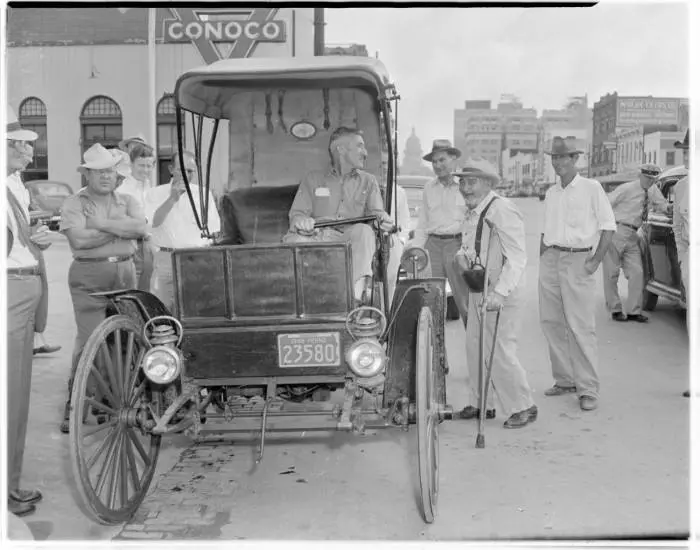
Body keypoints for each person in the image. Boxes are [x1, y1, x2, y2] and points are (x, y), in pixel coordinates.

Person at [58, 144, 147, 434]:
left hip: (125, 276)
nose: (105, 176)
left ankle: (109, 405)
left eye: (109, 170)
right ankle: (75, 404)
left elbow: (141, 229)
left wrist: (101, 224)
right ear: (87, 175)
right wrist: (118, 228)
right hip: (89, 277)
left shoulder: (128, 199)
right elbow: (79, 241)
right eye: (98, 172)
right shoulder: (74, 203)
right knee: (89, 342)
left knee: (122, 342)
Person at [448, 160, 537, 428]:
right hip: (479, 286)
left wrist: (499, 293)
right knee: (475, 347)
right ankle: (481, 404)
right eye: (462, 182)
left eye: (472, 181)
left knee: (499, 349)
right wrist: (462, 257)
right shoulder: (472, 211)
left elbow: (518, 258)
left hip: (501, 290)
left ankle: (524, 406)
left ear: (488, 183)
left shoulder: (502, 210)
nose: (465, 187)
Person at [539, 136, 616, 411]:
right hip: (551, 256)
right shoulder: (552, 192)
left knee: (580, 325)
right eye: (554, 158)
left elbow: (608, 226)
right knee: (551, 321)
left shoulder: (591, 188)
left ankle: (588, 389)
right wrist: (543, 254)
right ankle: (565, 380)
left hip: (578, 258)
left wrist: (595, 261)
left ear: (575, 159)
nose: (558, 163)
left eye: (563, 157)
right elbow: (545, 229)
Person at [283, 127, 394, 302]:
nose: (365, 152)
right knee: (294, 240)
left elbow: (377, 215)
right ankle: (302, 302)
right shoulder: (312, 179)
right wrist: (303, 222)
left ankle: (356, 302)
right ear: (340, 150)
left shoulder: (368, 181)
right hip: (318, 235)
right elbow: (297, 215)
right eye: (359, 146)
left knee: (365, 232)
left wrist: (384, 221)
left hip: (350, 237)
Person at [6, 107, 50, 517]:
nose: (26, 150)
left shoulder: (15, 184)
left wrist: (38, 238)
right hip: (11, 288)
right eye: (16, 143)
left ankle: (11, 483)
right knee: (10, 394)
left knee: (17, 395)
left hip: (24, 283)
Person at [144, 150, 221, 311]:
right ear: (171, 169)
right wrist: (172, 199)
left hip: (196, 258)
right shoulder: (154, 193)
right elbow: (153, 223)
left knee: (194, 308)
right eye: (181, 170)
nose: (186, 175)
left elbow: (214, 230)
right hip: (166, 258)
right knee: (161, 308)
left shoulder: (203, 193)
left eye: (190, 171)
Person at [11, 133, 61, 355]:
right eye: (24, 153)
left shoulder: (18, 182)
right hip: (15, 268)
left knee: (42, 295)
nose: (29, 160)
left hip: (28, 253)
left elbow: (24, 217)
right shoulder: (10, 182)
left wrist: (38, 231)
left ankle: (36, 338)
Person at [603, 163, 669, 322]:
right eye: (647, 178)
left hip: (633, 234)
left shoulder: (652, 190)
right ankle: (615, 309)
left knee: (637, 272)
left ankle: (633, 311)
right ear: (640, 175)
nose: (649, 181)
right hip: (617, 231)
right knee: (611, 273)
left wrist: (673, 209)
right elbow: (605, 204)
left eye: (652, 179)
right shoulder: (626, 189)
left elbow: (662, 205)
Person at [410, 139, 465, 281]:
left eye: (442, 160)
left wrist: (467, 248)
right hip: (432, 246)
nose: (437, 165)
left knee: (460, 292)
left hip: (457, 244)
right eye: (434, 162)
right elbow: (423, 222)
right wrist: (417, 248)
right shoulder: (429, 188)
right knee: (433, 291)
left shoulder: (465, 185)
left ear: (453, 159)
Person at [117, 140, 156, 292]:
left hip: (148, 245)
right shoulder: (122, 189)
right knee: (130, 288)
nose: (145, 170)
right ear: (131, 165)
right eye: (141, 165)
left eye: (149, 166)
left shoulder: (149, 187)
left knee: (146, 290)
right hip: (129, 244)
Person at [672, 130, 691, 398]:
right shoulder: (681, 186)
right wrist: (682, 257)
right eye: (685, 149)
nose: (686, 154)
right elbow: (678, 226)